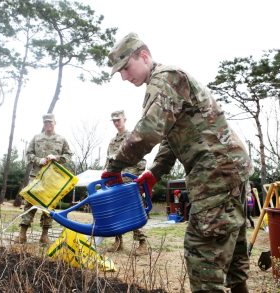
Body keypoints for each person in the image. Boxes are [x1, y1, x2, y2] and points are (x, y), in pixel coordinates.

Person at [102, 32, 253, 293]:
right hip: (228, 170)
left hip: (215, 174)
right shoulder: (165, 82)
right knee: (232, 258)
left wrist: (113, 168)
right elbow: (170, 136)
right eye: (120, 73)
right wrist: (156, 172)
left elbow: (149, 131)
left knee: (203, 256)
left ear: (144, 56)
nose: (124, 77)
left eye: (126, 68)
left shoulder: (165, 78)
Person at [15, 113, 73, 244]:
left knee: (49, 206)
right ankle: (22, 234)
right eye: (46, 122)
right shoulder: (36, 138)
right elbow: (28, 154)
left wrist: (57, 158)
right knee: (29, 204)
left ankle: (44, 235)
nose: (48, 124)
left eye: (50, 122)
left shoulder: (61, 139)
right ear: (43, 123)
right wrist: (37, 160)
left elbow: (68, 155)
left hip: (52, 179)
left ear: (54, 122)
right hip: (36, 176)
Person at [105, 110, 148, 256]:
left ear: (125, 119)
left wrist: (139, 178)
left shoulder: (132, 137)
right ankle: (118, 241)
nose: (116, 123)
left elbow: (141, 157)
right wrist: (106, 179)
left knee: (133, 212)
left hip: (130, 180)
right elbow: (108, 162)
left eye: (118, 120)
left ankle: (143, 243)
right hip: (115, 181)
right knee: (116, 212)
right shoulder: (112, 141)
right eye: (114, 121)